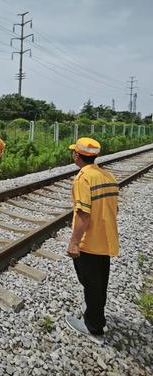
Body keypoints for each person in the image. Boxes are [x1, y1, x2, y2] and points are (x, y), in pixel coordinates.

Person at [65, 137, 119, 344]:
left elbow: (83, 214)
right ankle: (94, 313)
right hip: (106, 239)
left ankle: (93, 326)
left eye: (74, 152)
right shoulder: (107, 175)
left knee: (91, 283)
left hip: (90, 242)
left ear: (77, 155)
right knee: (98, 282)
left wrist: (74, 242)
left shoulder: (83, 179)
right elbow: (115, 208)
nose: (73, 155)